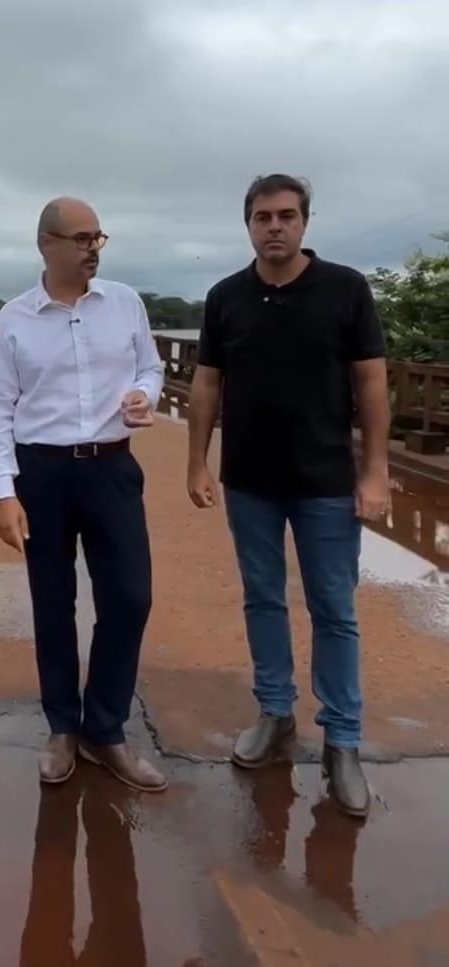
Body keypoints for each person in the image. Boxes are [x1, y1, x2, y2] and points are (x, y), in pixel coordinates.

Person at [187, 173, 390, 818]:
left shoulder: (346, 290)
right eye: (262, 217)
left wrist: (376, 471)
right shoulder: (226, 298)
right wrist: (198, 462)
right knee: (263, 598)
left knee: (335, 608)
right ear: (247, 224)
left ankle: (343, 741)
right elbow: (207, 386)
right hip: (250, 480)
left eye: (286, 215)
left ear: (305, 222)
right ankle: (275, 715)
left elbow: (372, 386)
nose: (274, 226)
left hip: (326, 481)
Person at [0, 197, 167, 791]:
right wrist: (3, 492)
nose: (93, 248)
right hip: (43, 474)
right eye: (81, 238)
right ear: (46, 244)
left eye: (98, 238)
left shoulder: (125, 303)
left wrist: (144, 395)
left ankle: (105, 727)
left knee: (130, 597)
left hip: (111, 468)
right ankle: (63, 726)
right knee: (53, 602)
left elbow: (152, 368)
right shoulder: (14, 319)